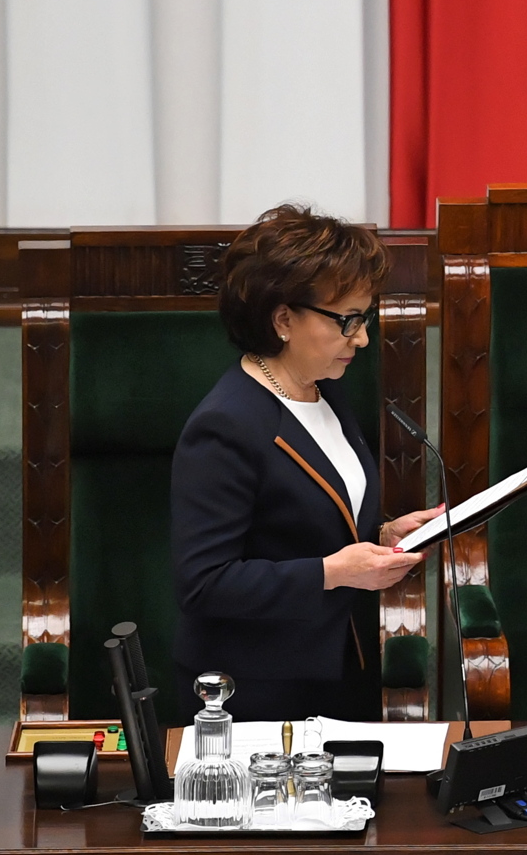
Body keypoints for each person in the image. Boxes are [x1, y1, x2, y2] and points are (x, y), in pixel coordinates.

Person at [172, 205, 440, 723]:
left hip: (336, 669)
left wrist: (383, 537)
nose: (360, 338)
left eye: (365, 318)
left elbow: (306, 523)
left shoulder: (324, 392)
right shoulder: (226, 425)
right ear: (283, 320)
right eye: (347, 321)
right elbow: (203, 582)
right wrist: (333, 572)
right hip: (254, 695)